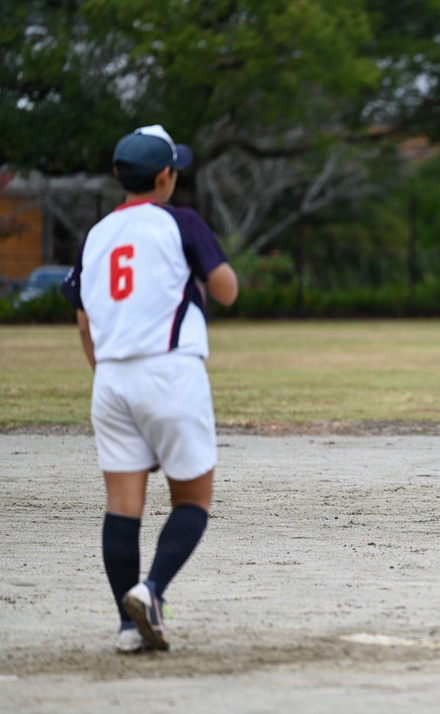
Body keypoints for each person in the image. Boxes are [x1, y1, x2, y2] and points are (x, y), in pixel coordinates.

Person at [60, 125, 239, 652]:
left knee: (122, 506)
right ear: (166, 176)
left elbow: (84, 321)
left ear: (119, 176)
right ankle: (152, 590)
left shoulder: (95, 235)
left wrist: (111, 382)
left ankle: (125, 628)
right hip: (169, 371)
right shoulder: (179, 220)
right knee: (193, 498)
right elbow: (227, 290)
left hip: (110, 377)